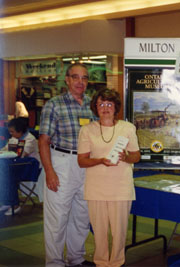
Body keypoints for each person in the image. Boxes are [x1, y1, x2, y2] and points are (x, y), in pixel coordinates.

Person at [38, 63, 95, 267]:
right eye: (76, 77)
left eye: (84, 78)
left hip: (87, 164)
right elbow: (43, 140)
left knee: (81, 215)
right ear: (67, 80)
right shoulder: (54, 104)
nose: (80, 82)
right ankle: (54, 262)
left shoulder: (93, 104)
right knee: (57, 218)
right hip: (62, 162)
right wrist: (50, 172)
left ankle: (76, 258)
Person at [77, 88, 140, 267]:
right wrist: (100, 161)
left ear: (115, 107)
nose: (105, 108)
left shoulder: (127, 128)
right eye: (101, 104)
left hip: (121, 187)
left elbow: (136, 156)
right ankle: (101, 262)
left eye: (109, 104)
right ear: (95, 107)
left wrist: (125, 158)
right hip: (96, 188)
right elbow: (82, 161)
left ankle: (117, 263)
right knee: (99, 231)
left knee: (119, 232)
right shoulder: (87, 130)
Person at [0, 117, 40, 215]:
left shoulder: (30, 139)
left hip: (29, 168)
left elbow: (22, 154)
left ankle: (15, 205)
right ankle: (7, 202)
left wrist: (6, 152)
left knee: (8, 177)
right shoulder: (14, 138)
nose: (11, 134)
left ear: (20, 131)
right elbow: (5, 149)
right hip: (15, 166)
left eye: (12, 132)